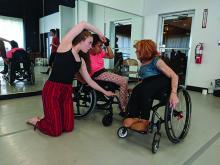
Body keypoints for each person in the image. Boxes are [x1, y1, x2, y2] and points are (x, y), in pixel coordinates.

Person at [27, 21, 115, 137]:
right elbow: (83, 24)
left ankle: (49, 118)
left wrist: (105, 92)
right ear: (81, 40)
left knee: (69, 127)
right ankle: (37, 121)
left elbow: (89, 81)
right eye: (89, 43)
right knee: (56, 131)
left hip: (66, 92)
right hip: (52, 90)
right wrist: (99, 34)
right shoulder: (65, 46)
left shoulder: (81, 61)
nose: (90, 47)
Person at [123, 39, 179, 131]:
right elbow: (145, 79)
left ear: (144, 51)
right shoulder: (143, 63)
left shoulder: (156, 61)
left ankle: (145, 120)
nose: (135, 52)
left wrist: (174, 93)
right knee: (137, 90)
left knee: (146, 89)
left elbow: (174, 76)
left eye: (137, 50)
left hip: (162, 83)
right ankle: (134, 116)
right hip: (148, 83)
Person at [89, 34, 128, 116]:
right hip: (96, 75)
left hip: (103, 72)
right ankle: (123, 108)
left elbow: (111, 56)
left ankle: (124, 104)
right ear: (91, 46)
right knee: (123, 81)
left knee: (122, 81)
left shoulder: (99, 53)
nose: (101, 48)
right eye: (99, 46)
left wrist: (107, 45)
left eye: (102, 46)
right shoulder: (86, 54)